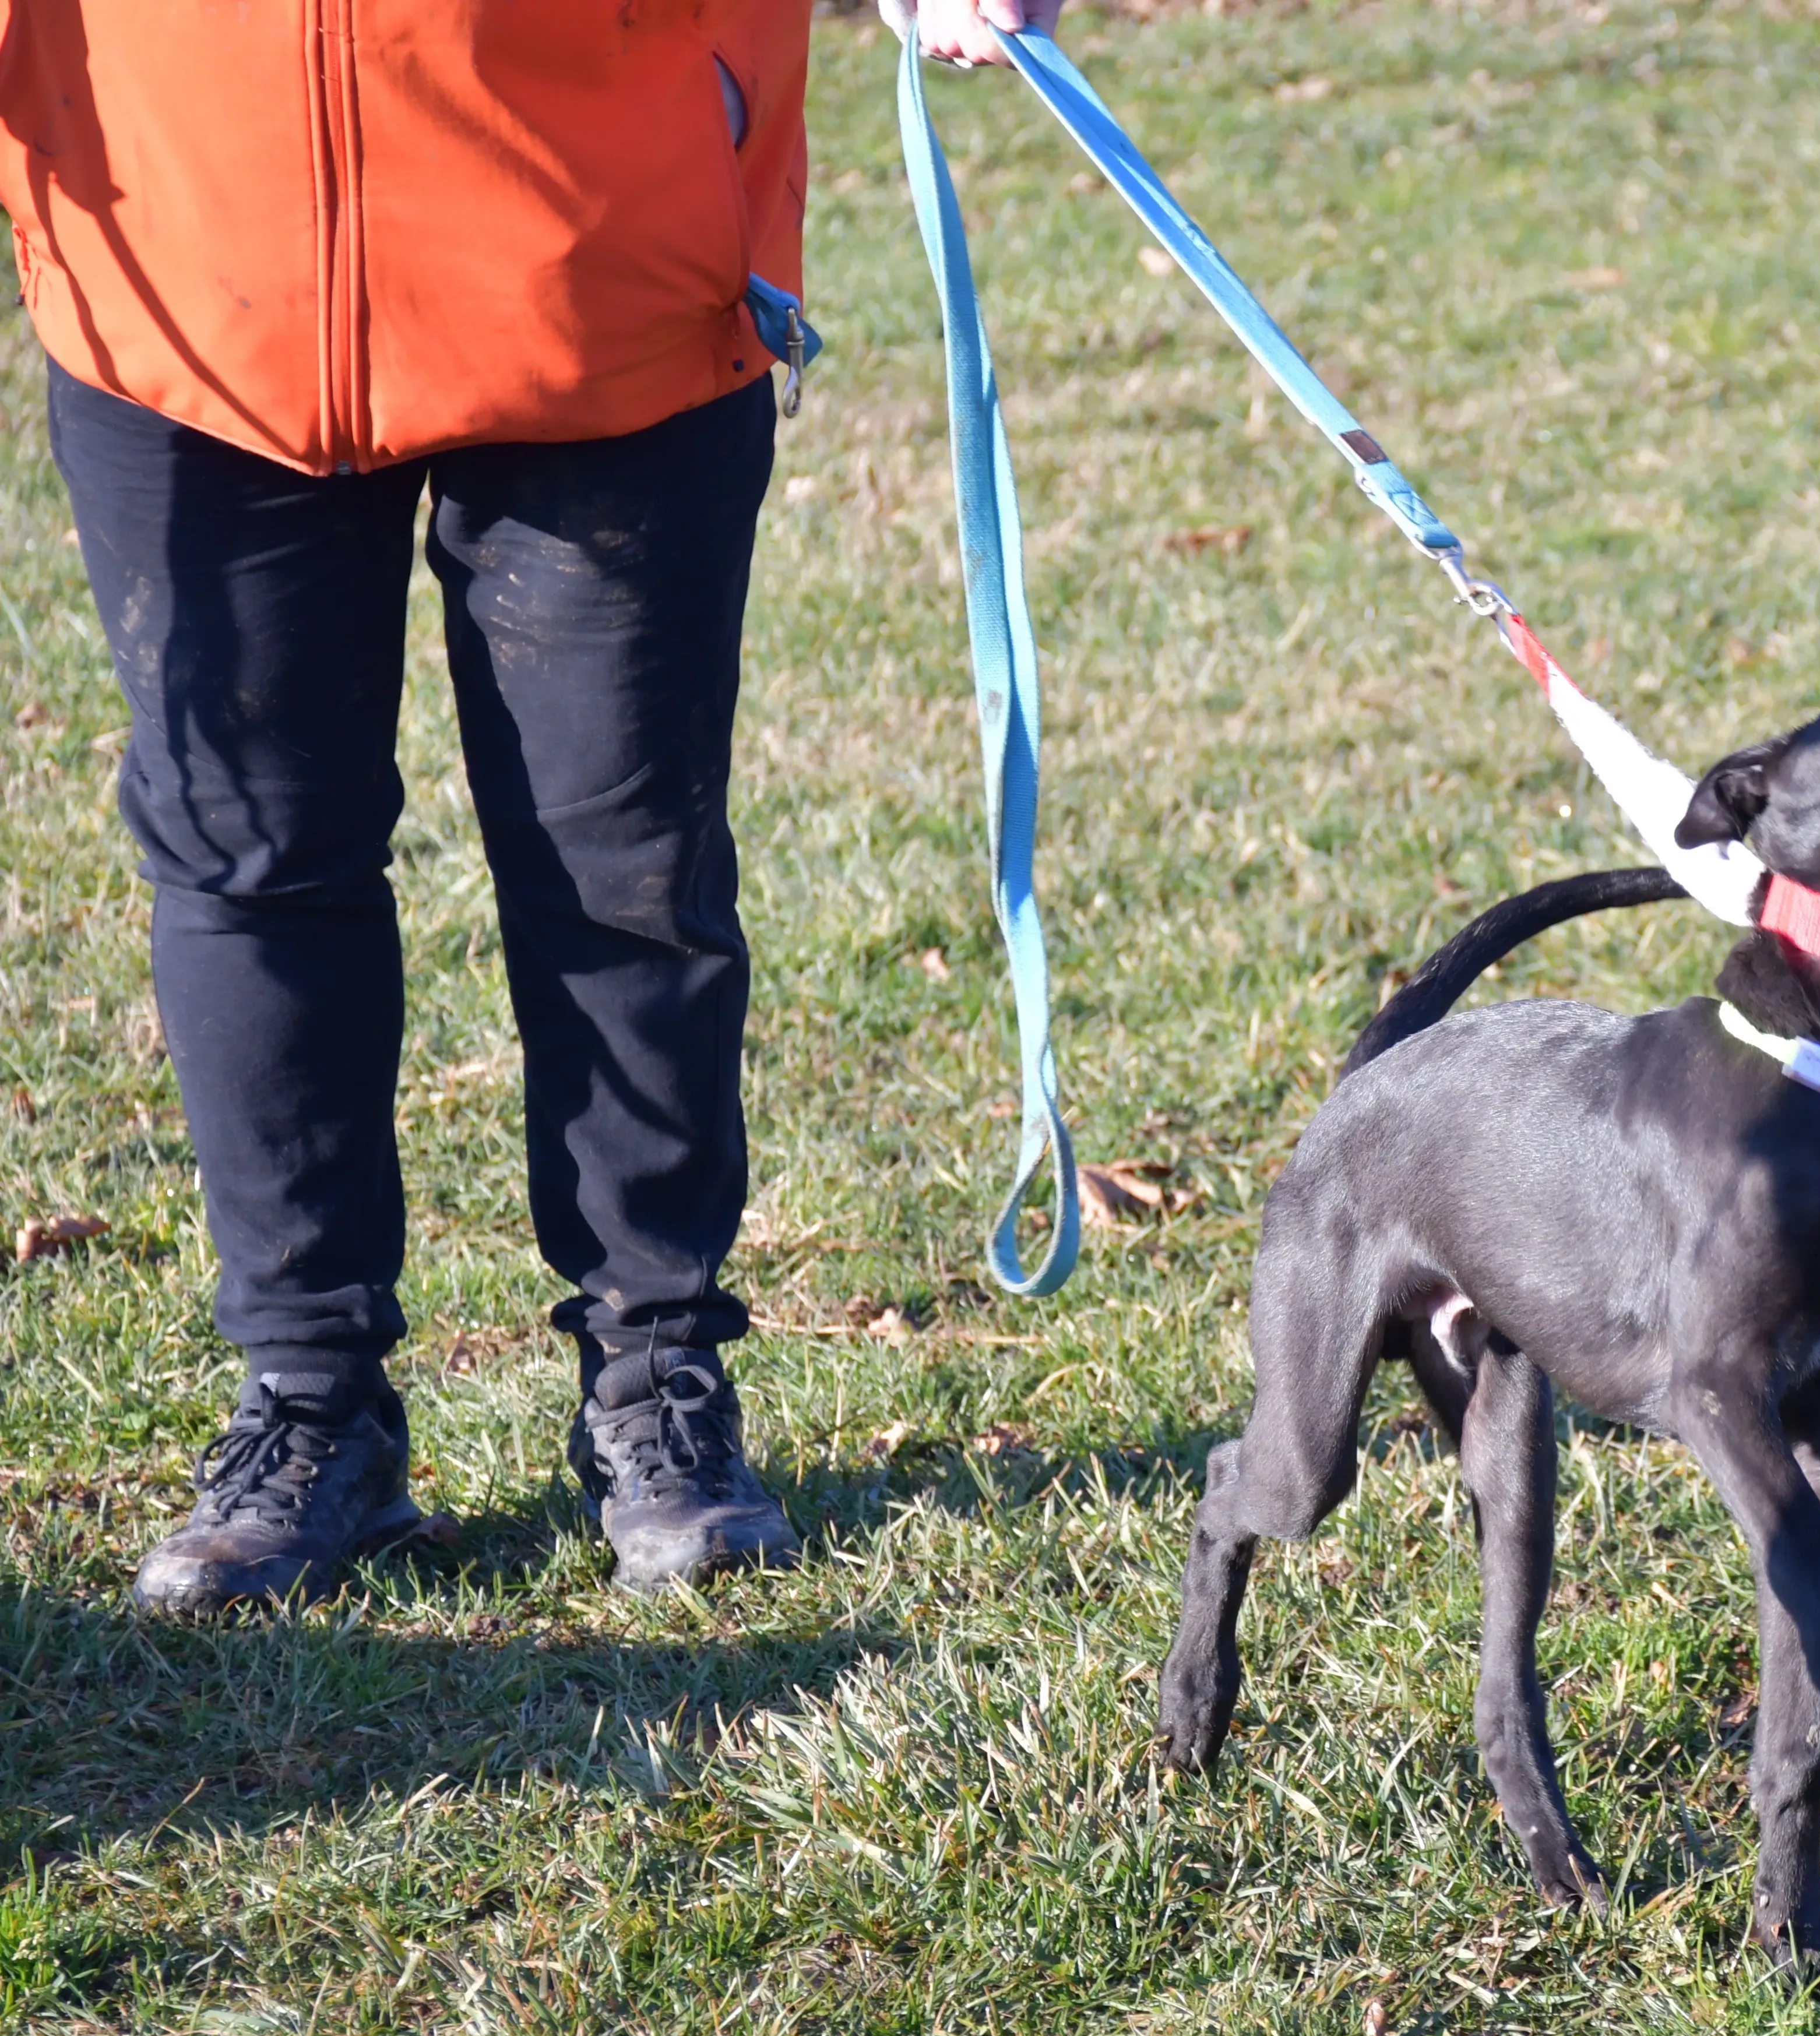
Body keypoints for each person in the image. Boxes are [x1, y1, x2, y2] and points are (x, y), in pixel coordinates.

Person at [2, 0, 1057, 1615]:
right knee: (244, 854)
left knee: (622, 865)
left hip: (602, 237)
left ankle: (658, 1381)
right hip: (181, 269)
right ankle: (310, 1411)